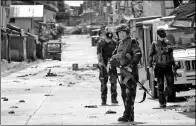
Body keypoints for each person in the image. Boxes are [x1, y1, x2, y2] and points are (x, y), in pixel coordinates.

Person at [109, 24, 142, 122]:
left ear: (127, 33)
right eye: (119, 33)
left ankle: (126, 115)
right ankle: (130, 115)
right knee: (124, 94)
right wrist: (112, 64)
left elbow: (138, 53)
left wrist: (131, 66)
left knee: (129, 94)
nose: (121, 34)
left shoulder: (132, 41)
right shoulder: (120, 43)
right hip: (122, 72)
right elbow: (114, 56)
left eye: (123, 32)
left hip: (131, 72)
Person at [149, 28, 176, 108]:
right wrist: (150, 66)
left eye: (163, 36)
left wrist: (174, 65)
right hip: (159, 67)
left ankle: (164, 95)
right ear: (157, 36)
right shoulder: (154, 44)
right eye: (161, 36)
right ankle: (162, 103)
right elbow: (151, 55)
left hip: (168, 66)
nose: (162, 38)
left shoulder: (168, 43)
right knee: (160, 85)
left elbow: (171, 55)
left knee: (171, 85)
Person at [97, 30, 118, 105]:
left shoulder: (114, 42)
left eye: (110, 39)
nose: (109, 41)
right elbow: (99, 54)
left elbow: (117, 54)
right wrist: (101, 64)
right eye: (107, 39)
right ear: (105, 37)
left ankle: (114, 98)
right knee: (103, 82)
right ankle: (103, 99)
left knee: (114, 81)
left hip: (112, 63)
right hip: (103, 64)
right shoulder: (100, 43)